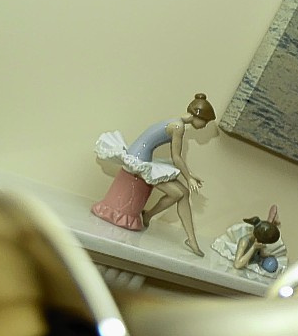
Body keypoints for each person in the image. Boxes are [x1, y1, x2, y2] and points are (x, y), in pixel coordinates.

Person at [92, 92, 216, 255]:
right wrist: (189, 177)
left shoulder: (176, 122)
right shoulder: (178, 127)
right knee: (178, 194)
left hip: (142, 156)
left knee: (183, 193)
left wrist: (190, 176)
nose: (204, 126)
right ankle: (150, 217)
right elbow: (176, 158)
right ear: (197, 116)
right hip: (139, 160)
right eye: (205, 122)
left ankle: (190, 240)